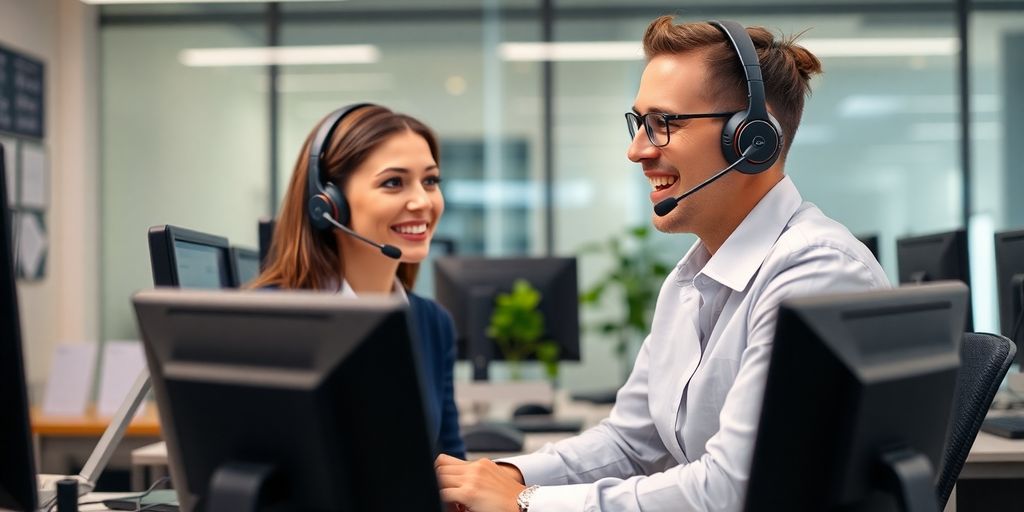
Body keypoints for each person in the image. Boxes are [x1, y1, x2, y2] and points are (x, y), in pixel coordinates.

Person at [434, 16, 889, 511]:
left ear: (752, 139)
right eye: (639, 124)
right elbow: (632, 443)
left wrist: (527, 503)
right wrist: (503, 475)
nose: (637, 151)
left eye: (663, 124)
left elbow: (733, 489)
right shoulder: (690, 280)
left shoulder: (817, 274)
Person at [250, 103, 465, 459]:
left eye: (430, 181)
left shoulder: (431, 322)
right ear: (329, 203)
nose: (422, 201)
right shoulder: (270, 321)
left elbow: (450, 468)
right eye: (393, 182)